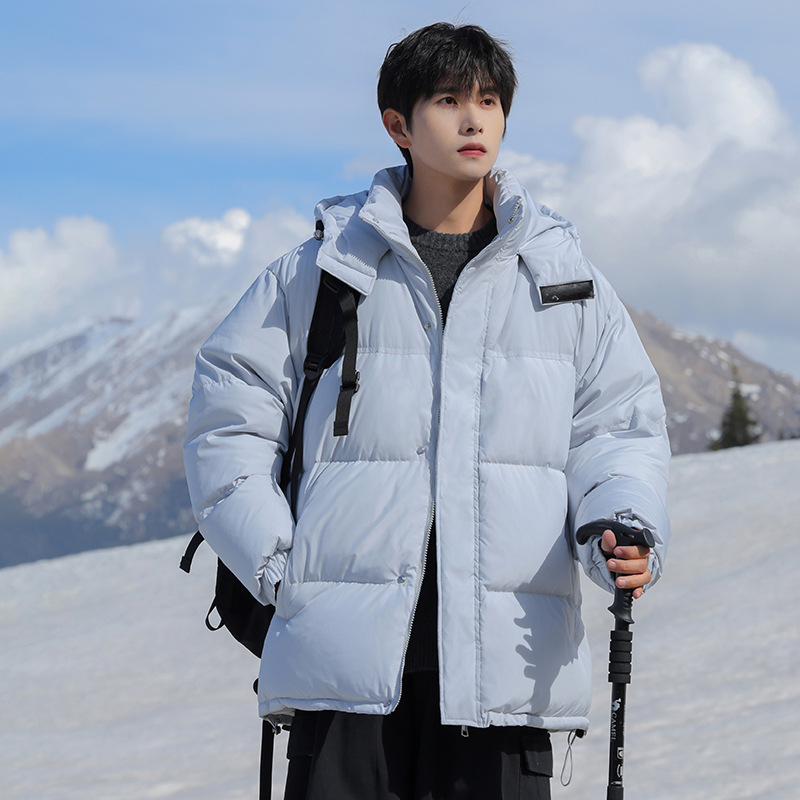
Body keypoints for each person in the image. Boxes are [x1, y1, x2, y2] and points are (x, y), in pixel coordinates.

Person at [183, 22, 670, 800]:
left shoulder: (564, 283)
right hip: (343, 680)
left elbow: (617, 429)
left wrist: (620, 524)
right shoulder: (320, 272)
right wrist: (279, 565)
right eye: (447, 100)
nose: (474, 119)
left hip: (505, 675)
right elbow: (228, 423)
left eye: (489, 100)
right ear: (398, 126)